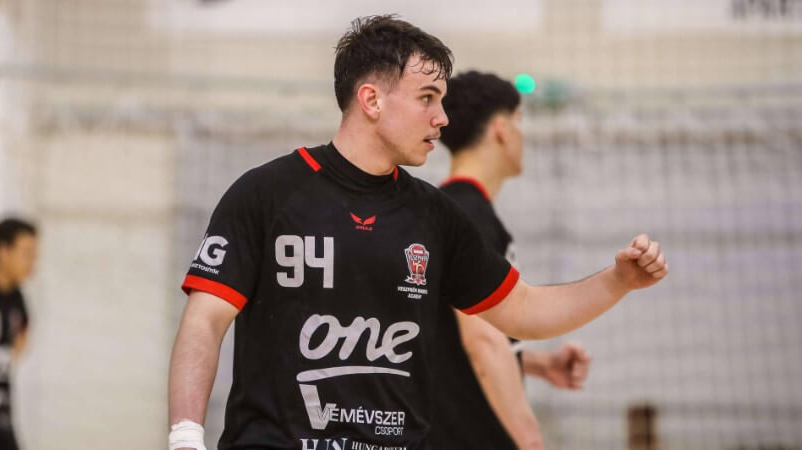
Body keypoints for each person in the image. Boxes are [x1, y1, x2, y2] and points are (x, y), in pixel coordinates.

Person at [168, 15, 668, 450]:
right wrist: (186, 437)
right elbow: (205, 322)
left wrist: (618, 281)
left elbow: (525, 310)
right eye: (427, 98)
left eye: (443, 100)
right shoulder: (266, 194)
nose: (441, 118)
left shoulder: (436, 215)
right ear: (371, 100)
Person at [432, 71, 592, 449]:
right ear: (501, 130)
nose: (523, 136)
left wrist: (534, 363)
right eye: (519, 122)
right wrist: (529, 440)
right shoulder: (469, 218)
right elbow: (482, 341)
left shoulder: (447, 208)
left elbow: (447, 336)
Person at [0, 218, 36, 450]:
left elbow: (20, 345)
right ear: (3, 250)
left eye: (35, 254)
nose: (32, 262)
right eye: (26, 253)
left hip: (1, 420)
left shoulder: (18, 300)